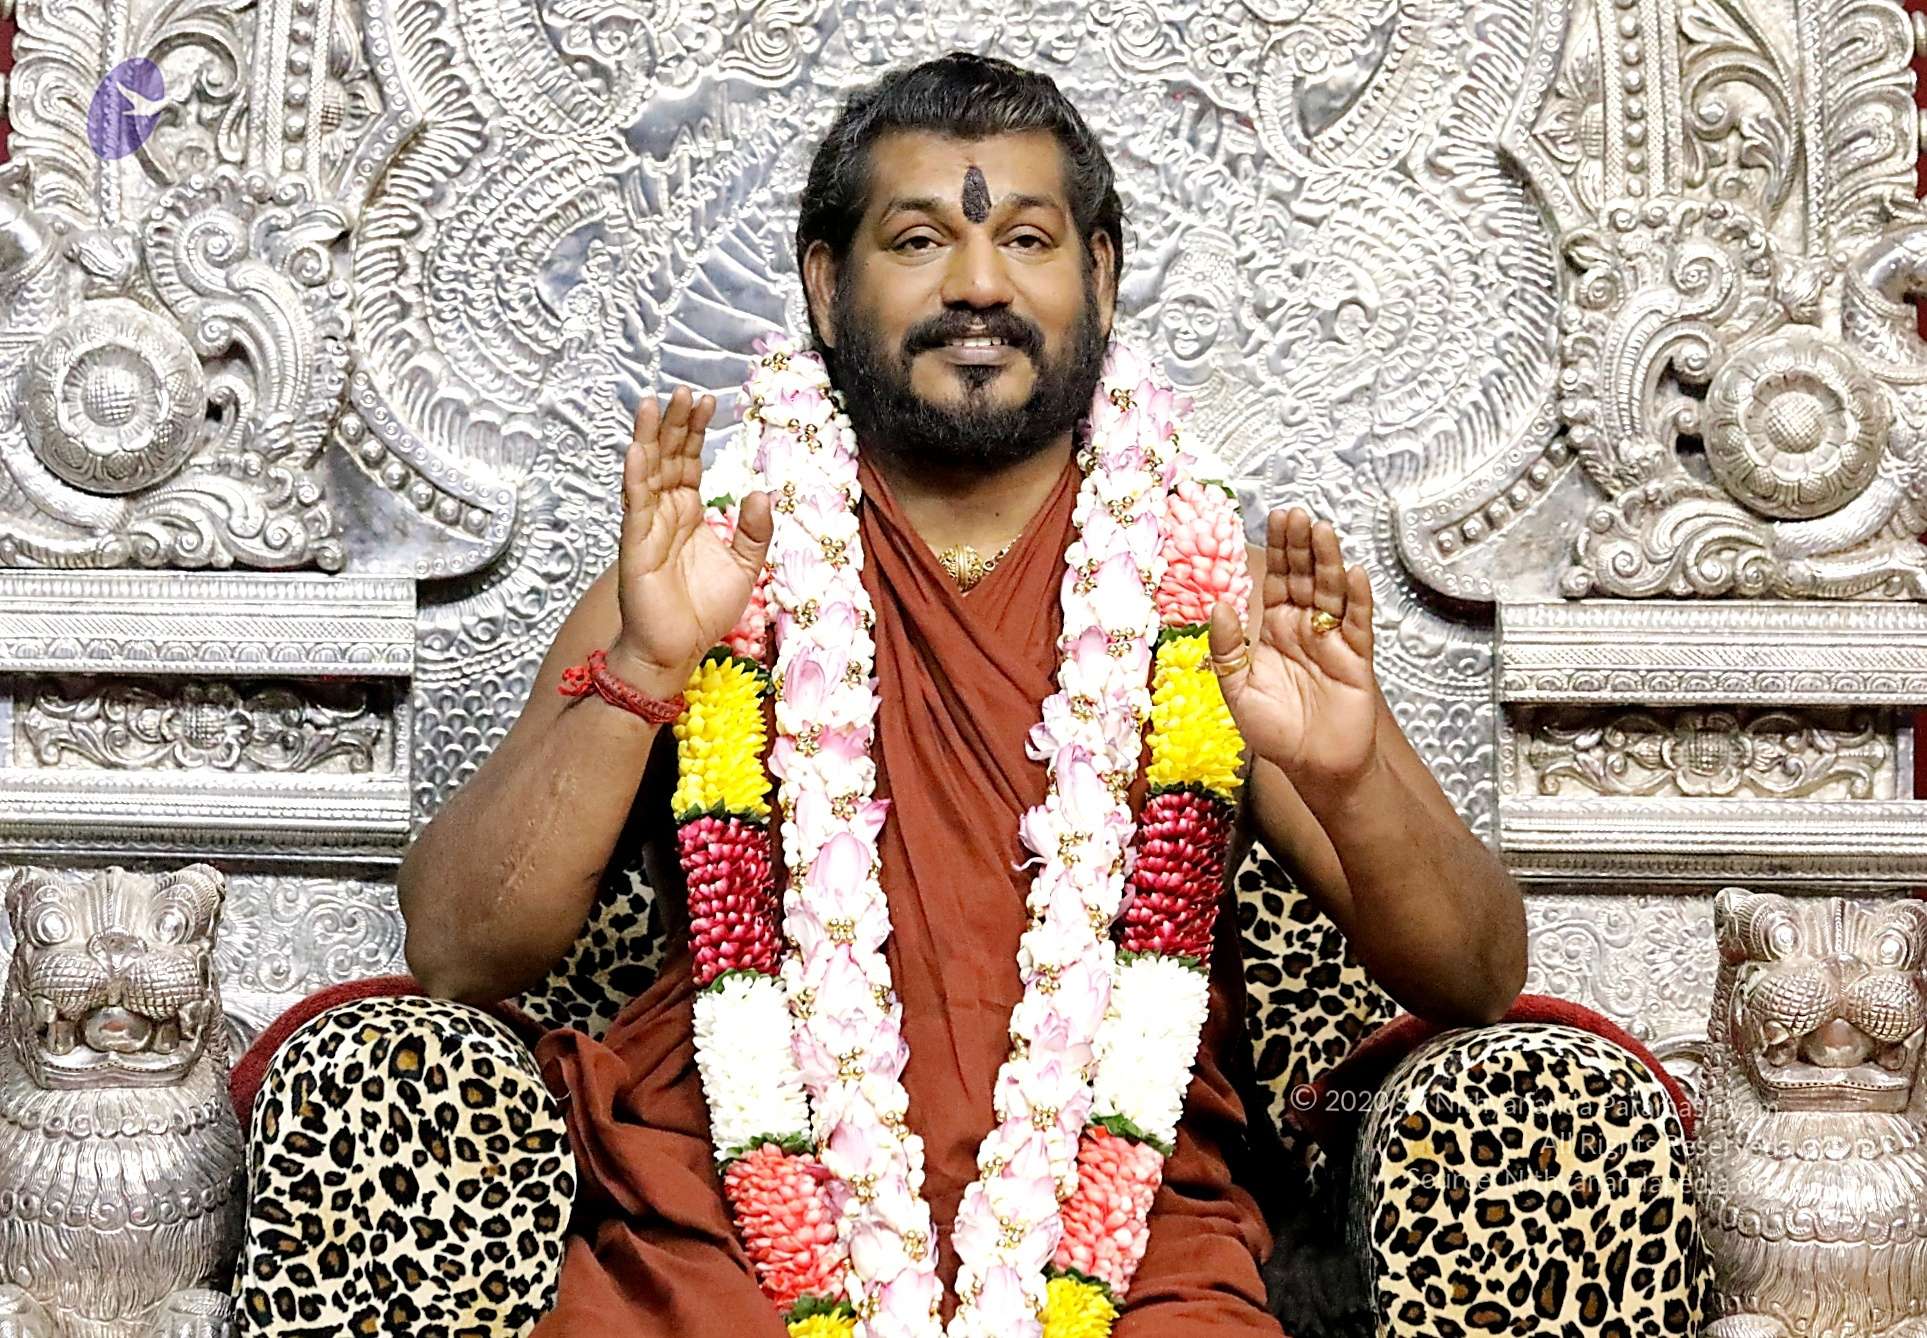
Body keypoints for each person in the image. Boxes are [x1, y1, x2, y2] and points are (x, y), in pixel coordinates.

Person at [397, 51, 1527, 1337]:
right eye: (920, 239)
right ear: (827, 288)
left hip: (1126, 1258)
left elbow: (1479, 974)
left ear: (1102, 277)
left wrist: (1346, 776)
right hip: (734, 1243)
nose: (979, 284)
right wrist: (648, 671)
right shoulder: (712, 558)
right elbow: (457, 947)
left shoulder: (1202, 590)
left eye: (1027, 240)